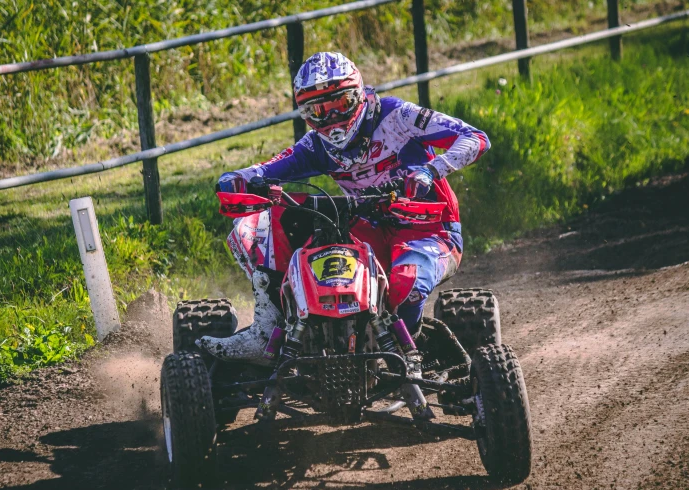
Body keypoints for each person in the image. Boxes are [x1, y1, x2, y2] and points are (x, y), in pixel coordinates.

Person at [197, 52, 490, 417]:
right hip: (367, 226)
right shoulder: (316, 145)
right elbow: (267, 169)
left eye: (339, 104)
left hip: (427, 227)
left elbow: (474, 137)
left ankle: (407, 352)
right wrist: (237, 179)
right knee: (287, 219)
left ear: (359, 95)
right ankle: (274, 330)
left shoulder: (397, 116)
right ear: (305, 113)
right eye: (319, 110)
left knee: (405, 284)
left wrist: (433, 169)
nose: (332, 117)